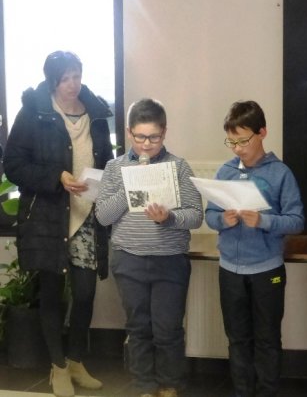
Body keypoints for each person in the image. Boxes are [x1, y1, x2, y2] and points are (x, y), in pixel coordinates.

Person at [3, 51, 113, 397]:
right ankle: (58, 367)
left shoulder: (95, 112)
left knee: (85, 293)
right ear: (52, 80)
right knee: (51, 292)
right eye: (65, 78)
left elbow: (108, 162)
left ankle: (76, 360)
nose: (72, 84)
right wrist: (57, 176)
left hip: (87, 214)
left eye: (76, 76)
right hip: (49, 217)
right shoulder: (34, 111)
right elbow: (13, 165)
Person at [95, 98, 203, 397]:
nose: (146, 144)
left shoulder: (178, 166)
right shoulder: (114, 168)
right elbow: (103, 216)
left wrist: (169, 218)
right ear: (129, 132)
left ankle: (170, 386)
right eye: (140, 137)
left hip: (169, 260)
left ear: (164, 132)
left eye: (154, 138)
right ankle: (144, 386)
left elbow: (196, 216)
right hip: (128, 260)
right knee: (138, 328)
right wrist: (130, 188)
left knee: (168, 329)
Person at [205, 100, 305, 397]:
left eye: (243, 140)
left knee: (267, 340)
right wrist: (222, 220)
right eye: (232, 142)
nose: (237, 148)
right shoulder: (225, 172)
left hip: (267, 269)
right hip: (230, 269)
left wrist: (264, 221)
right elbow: (210, 215)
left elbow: (296, 221)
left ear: (262, 133)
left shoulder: (281, 173)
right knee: (237, 339)